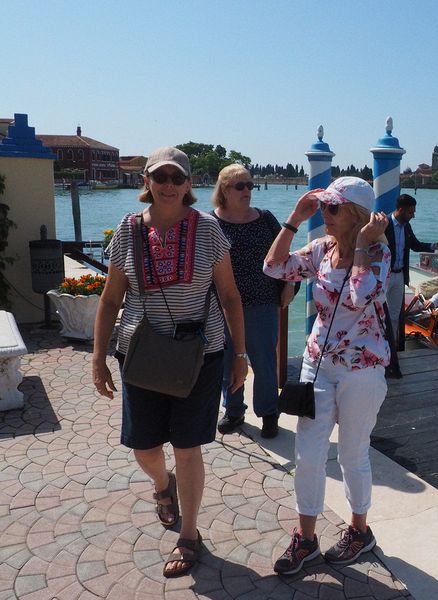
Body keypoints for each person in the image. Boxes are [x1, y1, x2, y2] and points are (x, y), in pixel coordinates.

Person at [92, 147, 247, 578]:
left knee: (187, 445)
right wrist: (98, 358)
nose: (168, 186)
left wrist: (240, 354)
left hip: (201, 352)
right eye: (160, 177)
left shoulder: (210, 231)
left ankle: (190, 536)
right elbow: (110, 299)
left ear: (189, 185)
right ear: (147, 182)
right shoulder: (126, 232)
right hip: (141, 353)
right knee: (143, 446)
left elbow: (231, 296)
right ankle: (164, 486)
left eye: (177, 178)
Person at [264, 176, 391, 575]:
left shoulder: (379, 255)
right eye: (323, 206)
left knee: (353, 454)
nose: (325, 213)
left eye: (332, 208)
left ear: (356, 215)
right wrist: (293, 220)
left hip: (363, 371)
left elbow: (357, 294)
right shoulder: (320, 249)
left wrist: (364, 246)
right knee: (308, 455)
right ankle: (306, 539)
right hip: (318, 365)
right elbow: (273, 267)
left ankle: (359, 531)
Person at [211, 164, 292, 439]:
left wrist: (289, 285)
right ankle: (234, 410)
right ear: (224, 190)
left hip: (263, 301)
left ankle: (269, 412)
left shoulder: (265, 218)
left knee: (264, 361)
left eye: (250, 185)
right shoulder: (211, 222)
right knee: (229, 360)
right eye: (240, 186)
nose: (247, 190)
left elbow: (285, 255)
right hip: (222, 306)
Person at [384, 194, 438, 351]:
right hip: (384, 276)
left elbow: (416, 246)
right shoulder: (384, 224)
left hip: (399, 276)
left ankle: (391, 349)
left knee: (394, 314)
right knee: (378, 312)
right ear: (400, 210)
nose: (413, 215)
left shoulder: (407, 227)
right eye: (411, 212)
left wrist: (434, 246)